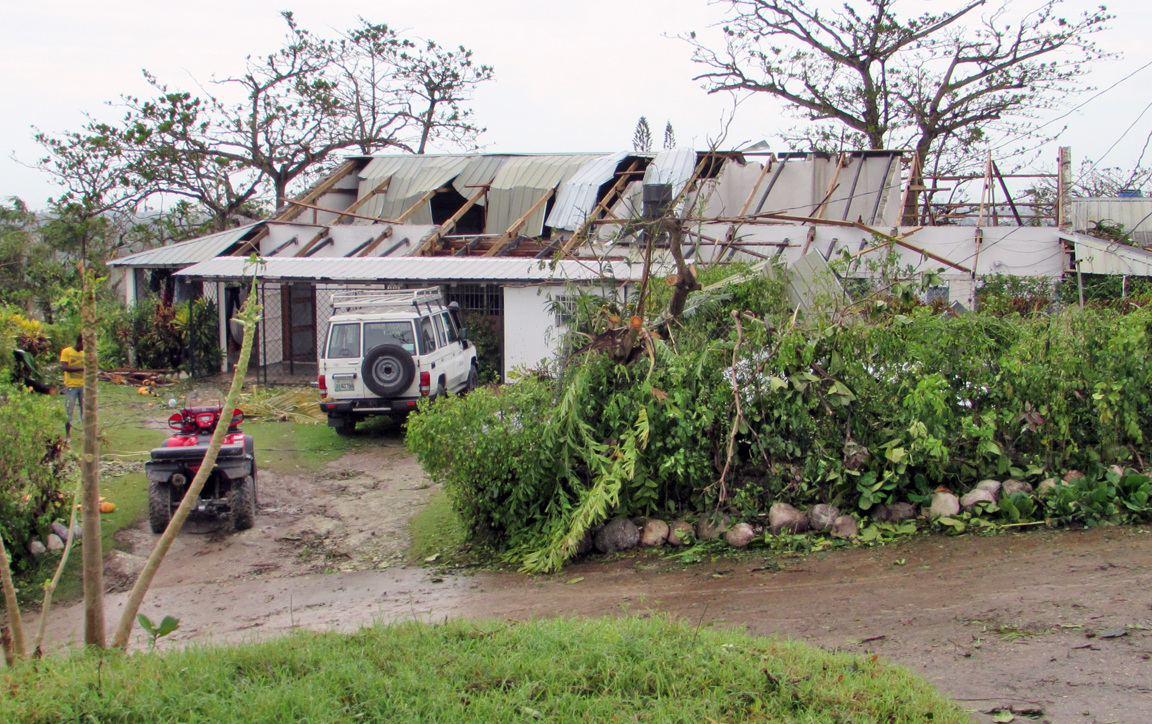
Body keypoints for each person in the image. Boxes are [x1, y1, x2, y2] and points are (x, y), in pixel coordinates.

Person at [60, 335, 84, 437]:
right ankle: (68, 435)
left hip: (83, 386)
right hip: (71, 386)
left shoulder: (84, 353)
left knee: (85, 411)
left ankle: (85, 434)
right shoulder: (66, 352)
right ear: (80, 342)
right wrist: (81, 369)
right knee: (69, 411)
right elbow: (64, 367)